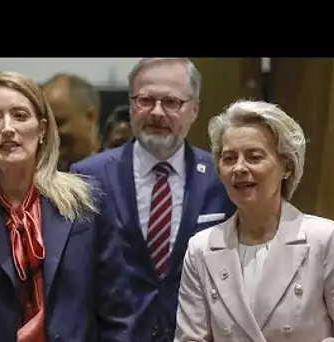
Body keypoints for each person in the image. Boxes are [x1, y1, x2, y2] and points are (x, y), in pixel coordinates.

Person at [0, 71, 134, 342]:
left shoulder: (87, 204)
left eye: (20, 115)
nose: (7, 128)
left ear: (42, 129)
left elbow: (117, 317)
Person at [174, 99, 334, 342]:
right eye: (229, 158)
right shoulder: (201, 248)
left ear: (287, 167)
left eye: (254, 157)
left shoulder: (324, 239)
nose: (239, 168)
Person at [70, 58, 236, 342]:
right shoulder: (87, 178)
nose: (157, 112)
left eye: (171, 102)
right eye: (145, 100)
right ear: (131, 104)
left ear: (194, 109)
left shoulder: (221, 178)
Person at [41, 73, 101, 171]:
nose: (48, 133)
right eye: (43, 125)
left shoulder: (117, 175)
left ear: (90, 116)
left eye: (58, 123)